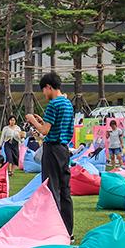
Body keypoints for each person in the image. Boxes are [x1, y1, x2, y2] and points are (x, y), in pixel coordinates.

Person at [25, 72, 74, 234]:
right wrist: (42, 121)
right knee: (64, 190)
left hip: (52, 149)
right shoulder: (67, 103)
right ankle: (68, 230)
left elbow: (45, 131)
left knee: (51, 189)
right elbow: (57, 127)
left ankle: (54, 229)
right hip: (64, 149)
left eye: (44, 91)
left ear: (48, 87)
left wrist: (32, 120)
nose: (44, 94)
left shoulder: (53, 104)